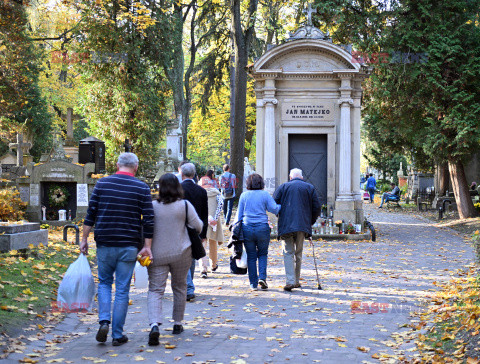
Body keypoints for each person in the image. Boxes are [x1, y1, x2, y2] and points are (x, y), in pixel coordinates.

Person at [80, 153, 154, 346]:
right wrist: (147, 246)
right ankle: (117, 334)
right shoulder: (142, 188)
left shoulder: (102, 184)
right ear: (136, 167)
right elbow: (148, 219)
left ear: (117, 165)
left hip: (104, 242)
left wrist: (84, 239)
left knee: (104, 283)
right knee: (122, 289)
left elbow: (91, 214)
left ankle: (104, 320)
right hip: (128, 244)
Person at [146, 173, 203, 345]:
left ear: (160, 187)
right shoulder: (184, 205)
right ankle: (177, 323)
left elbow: (146, 226)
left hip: (157, 254)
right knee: (179, 287)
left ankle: (155, 324)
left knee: (156, 289)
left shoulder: (152, 206)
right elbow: (198, 226)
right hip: (181, 252)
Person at [273, 168, 321, 292]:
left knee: (288, 252)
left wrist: (281, 214)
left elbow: (274, 204)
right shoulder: (309, 188)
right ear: (302, 177)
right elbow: (317, 207)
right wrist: (310, 222)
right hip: (301, 225)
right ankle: (296, 281)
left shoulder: (283, 187)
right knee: (298, 253)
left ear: (290, 177)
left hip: (286, 226)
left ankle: (290, 281)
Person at [236, 173, 280, 291]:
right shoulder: (265, 194)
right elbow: (274, 208)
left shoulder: (244, 196)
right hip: (262, 228)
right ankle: (262, 278)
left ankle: (253, 284)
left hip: (247, 228)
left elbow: (239, 215)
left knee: (251, 256)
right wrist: (282, 205)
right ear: (261, 183)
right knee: (262, 253)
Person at [181, 163, 208, 301]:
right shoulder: (201, 191)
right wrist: (203, 234)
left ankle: (188, 287)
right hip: (196, 228)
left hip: (180, 228)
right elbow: (204, 214)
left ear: (182, 174)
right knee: (190, 259)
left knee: (184, 258)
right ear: (195, 175)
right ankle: (189, 286)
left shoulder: (178, 190)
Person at [199, 173, 224, 278]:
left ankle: (203, 269)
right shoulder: (216, 193)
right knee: (213, 244)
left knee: (203, 245)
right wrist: (215, 217)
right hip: (214, 222)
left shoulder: (199, 193)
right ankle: (213, 265)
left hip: (202, 221)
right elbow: (221, 205)